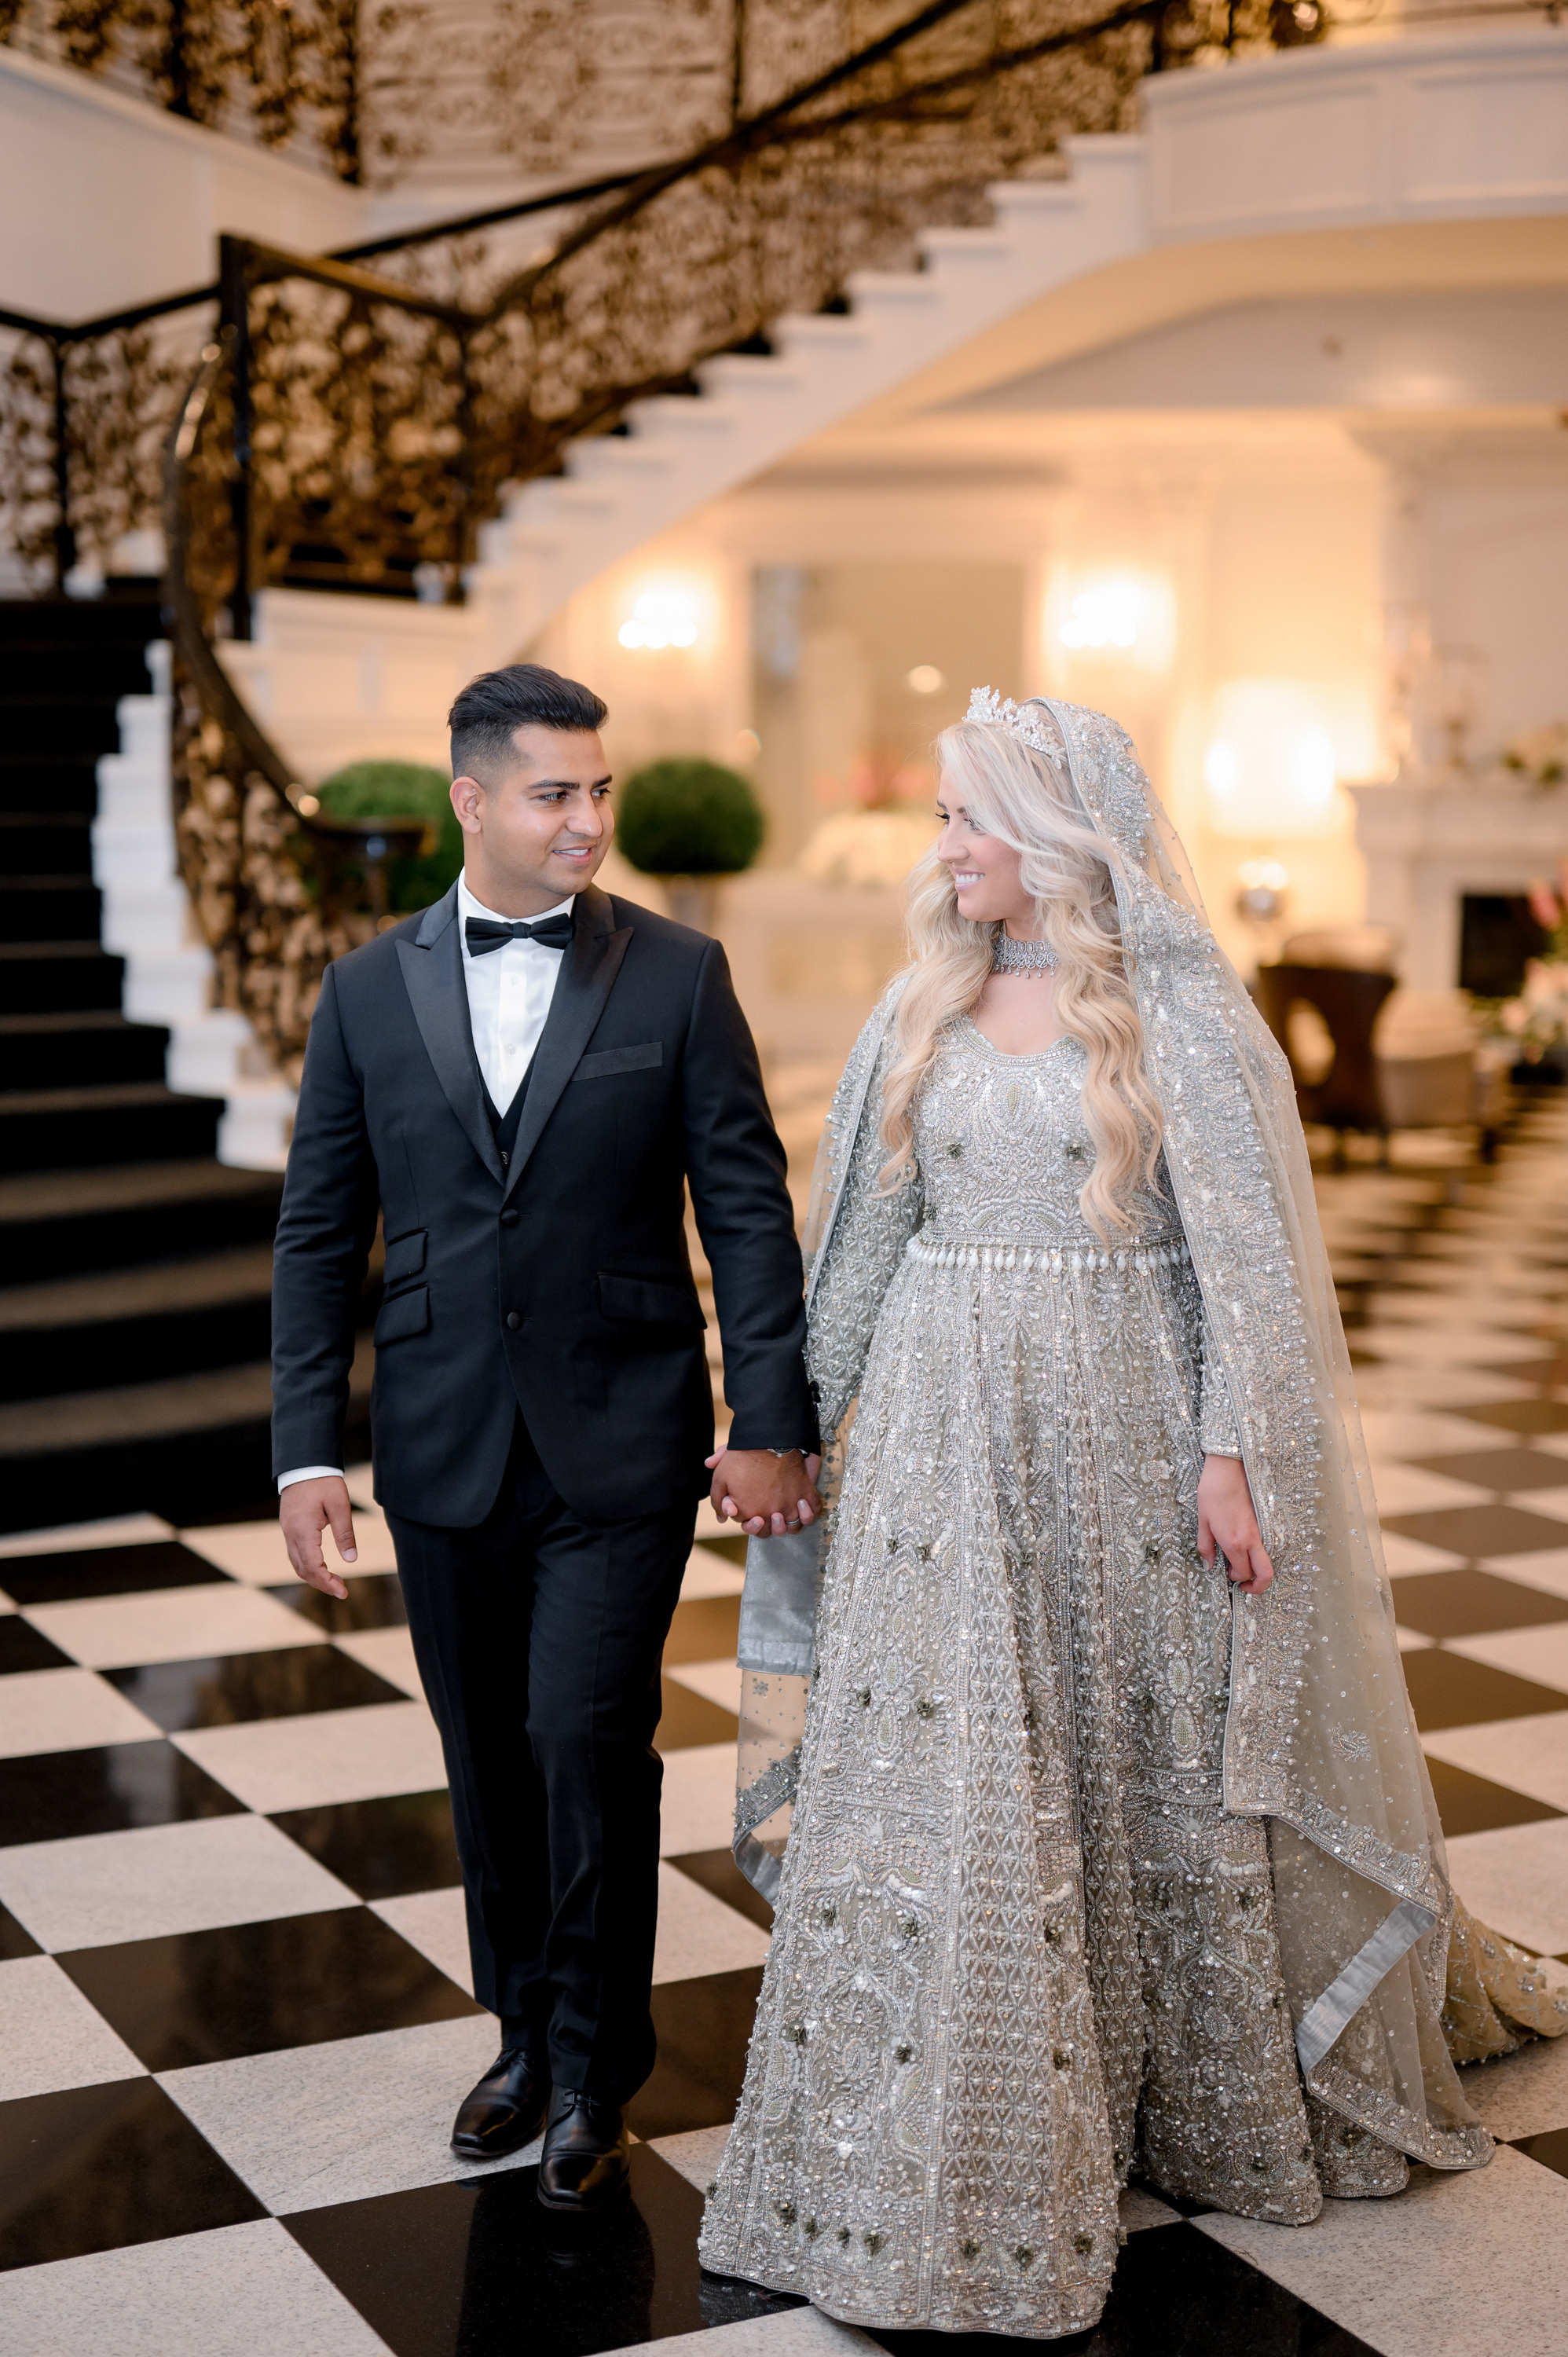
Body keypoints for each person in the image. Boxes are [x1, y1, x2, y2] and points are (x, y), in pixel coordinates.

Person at [699, 688, 1567, 2336]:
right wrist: (789, 1431)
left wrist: (1234, 1451)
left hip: (1120, 1423)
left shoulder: (1171, 1011)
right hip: (945, 1445)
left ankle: (1178, 2085)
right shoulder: (916, 1012)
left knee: (1129, 1738)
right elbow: (861, 1249)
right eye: (943, 817)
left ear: (1051, 834)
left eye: (966, 817)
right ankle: (937, 2112)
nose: (940, 845)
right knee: (966, 1766)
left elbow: (1243, 1265)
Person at [273, 664, 820, 2213]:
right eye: (553, 794)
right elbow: (320, 1233)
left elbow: (745, 1210)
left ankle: (593, 2067)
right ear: (471, 801)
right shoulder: (365, 989)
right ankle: (517, 2034)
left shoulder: (676, 975)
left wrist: (764, 1416)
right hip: (440, 1444)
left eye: (598, 792)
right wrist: (306, 1449)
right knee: (486, 1764)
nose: (588, 820)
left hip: (621, 1440)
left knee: (586, 1741)